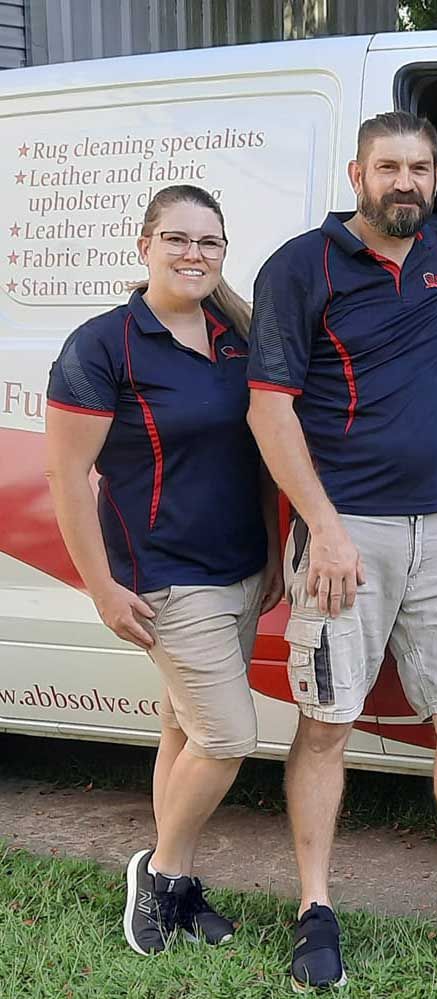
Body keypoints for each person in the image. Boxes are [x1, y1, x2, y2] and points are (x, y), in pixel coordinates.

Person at [246, 111, 437, 994]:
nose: (406, 183)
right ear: (357, 173)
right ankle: (315, 910)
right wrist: (326, 527)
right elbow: (269, 412)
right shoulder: (300, 268)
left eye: (421, 168)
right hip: (344, 527)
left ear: (435, 177)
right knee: (327, 724)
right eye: (389, 167)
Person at [45, 184, 283, 956]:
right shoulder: (102, 344)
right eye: (177, 239)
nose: (194, 254)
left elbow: (259, 454)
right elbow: (68, 478)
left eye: (209, 242)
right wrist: (103, 587)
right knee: (227, 736)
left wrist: (276, 552)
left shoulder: (236, 335)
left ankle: (177, 891)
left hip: (242, 564)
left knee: (183, 725)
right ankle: (162, 868)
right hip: (165, 578)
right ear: (143, 243)